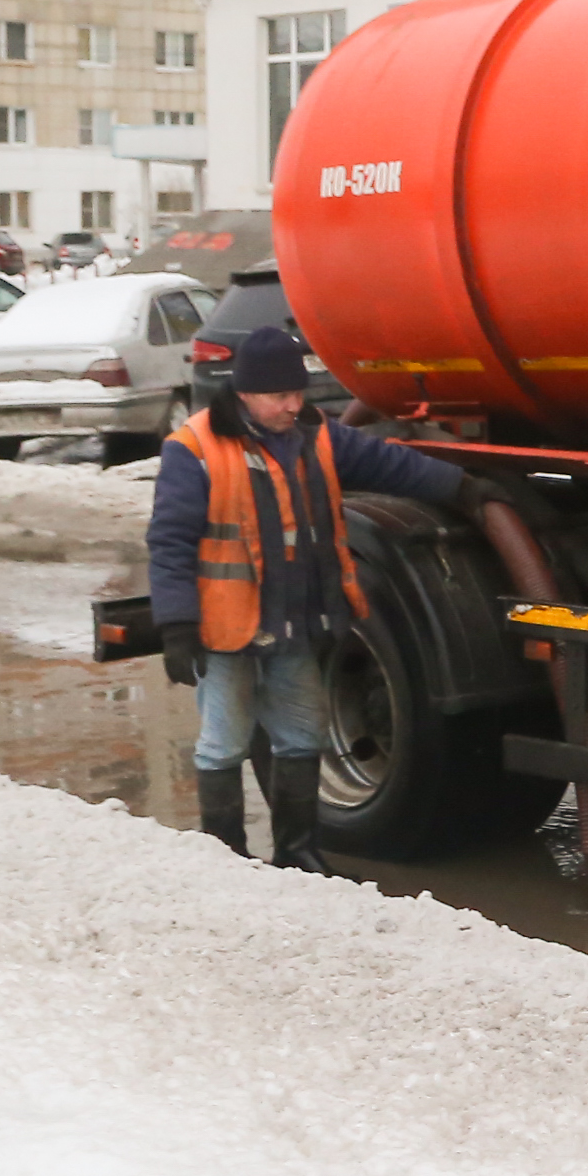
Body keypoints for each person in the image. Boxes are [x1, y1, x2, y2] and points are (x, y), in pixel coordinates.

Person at [146, 324, 472, 868]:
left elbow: (388, 463)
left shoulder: (316, 434)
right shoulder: (195, 449)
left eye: (298, 393)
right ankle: (224, 859)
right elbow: (170, 543)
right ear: (245, 393)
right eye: (280, 396)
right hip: (229, 628)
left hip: (298, 621)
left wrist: (460, 486)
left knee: (301, 738)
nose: (293, 405)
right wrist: (177, 625)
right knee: (223, 744)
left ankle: (298, 852)